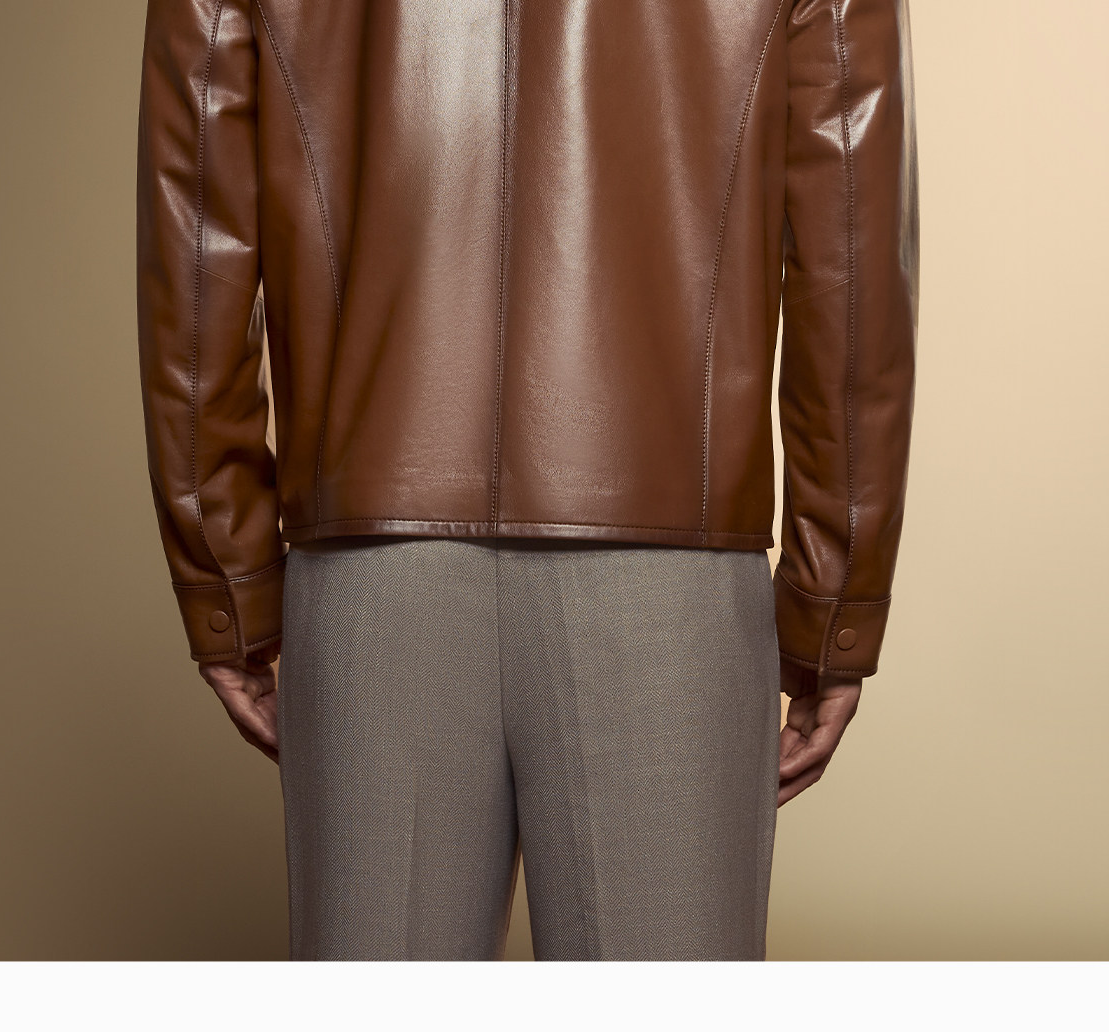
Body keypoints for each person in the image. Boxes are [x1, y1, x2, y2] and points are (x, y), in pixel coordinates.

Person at [135, 0, 918, 961]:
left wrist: (226, 575)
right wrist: (834, 598)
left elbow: (196, 244)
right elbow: (854, 262)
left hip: (375, 584)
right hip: (667, 592)